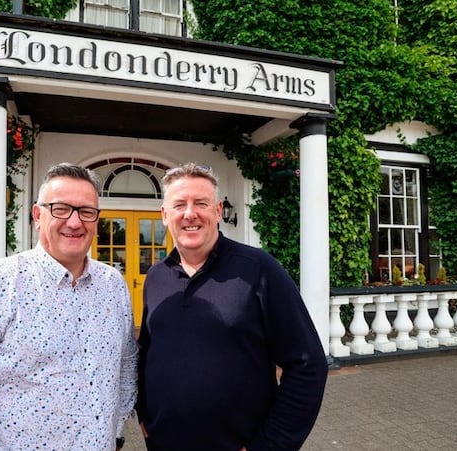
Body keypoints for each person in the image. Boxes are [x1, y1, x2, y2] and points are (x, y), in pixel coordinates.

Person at [0, 163, 137, 450]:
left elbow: (125, 365)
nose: (75, 222)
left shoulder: (113, 285)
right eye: (61, 208)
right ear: (38, 215)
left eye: (86, 211)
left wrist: (115, 432)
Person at [136, 163, 328, 450]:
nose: (190, 214)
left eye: (201, 203)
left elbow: (307, 363)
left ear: (217, 210)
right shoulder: (156, 276)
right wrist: (144, 416)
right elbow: (147, 351)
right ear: (164, 215)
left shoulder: (259, 269)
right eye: (179, 205)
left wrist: (270, 445)